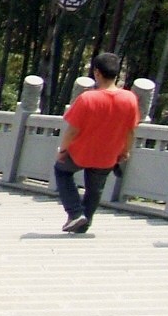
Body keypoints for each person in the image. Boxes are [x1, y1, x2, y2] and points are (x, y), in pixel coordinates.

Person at [55, 51, 141, 233]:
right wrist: (125, 151)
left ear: (97, 73)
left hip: (80, 152)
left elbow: (72, 130)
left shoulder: (87, 98)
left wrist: (63, 150)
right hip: (107, 155)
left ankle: (75, 213)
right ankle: (84, 224)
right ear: (116, 74)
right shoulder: (130, 99)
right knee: (95, 189)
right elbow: (130, 130)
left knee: (62, 171)